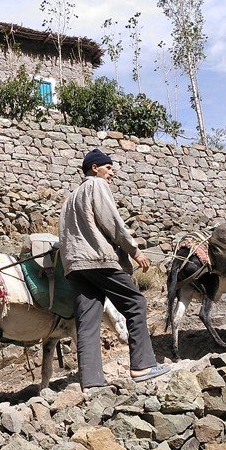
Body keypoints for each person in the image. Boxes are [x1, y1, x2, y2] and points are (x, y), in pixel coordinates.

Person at [58, 148, 170, 388]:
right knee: (135, 303)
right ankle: (142, 366)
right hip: (98, 259)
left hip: (75, 267)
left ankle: (91, 382)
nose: (112, 173)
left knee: (87, 322)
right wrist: (135, 251)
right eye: (108, 168)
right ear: (94, 168)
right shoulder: (96, 186)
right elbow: (112, 221)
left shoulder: (69, 199)